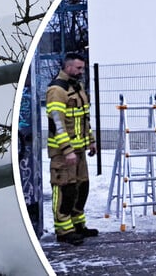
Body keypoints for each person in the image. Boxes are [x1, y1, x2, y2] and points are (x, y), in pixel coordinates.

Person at [46, 52, 97, 245]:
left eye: (82, 68)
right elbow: (57, 123)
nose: (81, 71)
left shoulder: (77, 87)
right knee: (64, 189)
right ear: (68, 67)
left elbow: (84, 118)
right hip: (63, 153)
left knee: (81, 187)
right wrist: (67, 149)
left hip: (79, 150)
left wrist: (90, 140)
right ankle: (63, 230)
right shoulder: (57, 90)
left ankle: (78, 225)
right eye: (78, 68)